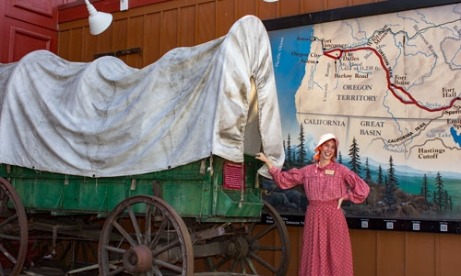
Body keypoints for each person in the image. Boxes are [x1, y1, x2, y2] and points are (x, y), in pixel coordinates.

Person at [256, 133, 370, 276]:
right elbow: (284, 180)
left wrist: (346, 196)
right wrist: (268, 162)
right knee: (314, 253)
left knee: (335, 255)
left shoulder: (340, 170)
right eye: (326, 146)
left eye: (333, 147)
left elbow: (363, 189)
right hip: (314, 216)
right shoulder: (308, 171)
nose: (329, 150)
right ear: (320, 148)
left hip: (333, 217)